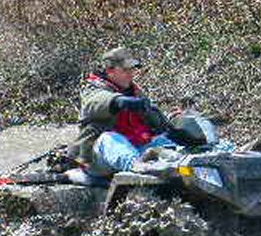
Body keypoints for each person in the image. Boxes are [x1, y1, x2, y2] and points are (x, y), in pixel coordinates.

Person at [67, 46, 179, 179]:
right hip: (98, 157)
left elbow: (157, 121)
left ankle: (182, 164)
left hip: (137, 147)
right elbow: (94, 102)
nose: (131, 74)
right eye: (126, 70)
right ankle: (137, 166)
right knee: (109, 138)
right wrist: (117, 101)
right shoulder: (92, 89)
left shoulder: (135, 91)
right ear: (110, 71)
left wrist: (175, 128)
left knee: (165, 141)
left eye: (132, 69)